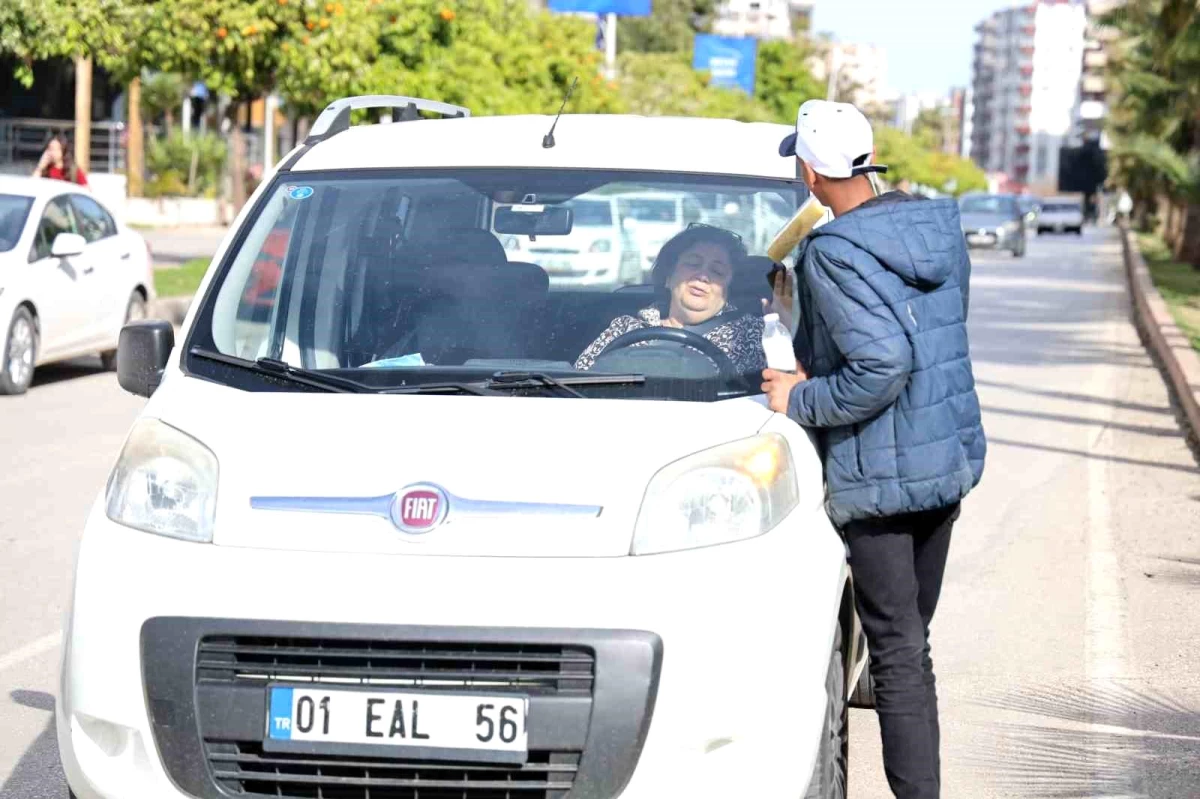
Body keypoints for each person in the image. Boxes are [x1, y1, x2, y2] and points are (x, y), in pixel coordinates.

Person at [761, 100, 986, 799]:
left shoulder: (830, 251)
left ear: (809, 172)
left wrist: (797, 398)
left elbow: (880, 365)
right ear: (868, 156)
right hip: (942, 465)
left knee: (895, 652)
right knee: (909, 643)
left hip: (881, 480)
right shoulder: (933, 227)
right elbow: (930, 341)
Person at [575, 224, 766, 373]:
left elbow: (780, 389)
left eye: (717, 271)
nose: (702, 276)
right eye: (692, 264)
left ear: (729, 288)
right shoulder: (624, 327)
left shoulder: (751, 333)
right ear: (668, 276)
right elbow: (581, 379)